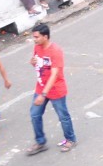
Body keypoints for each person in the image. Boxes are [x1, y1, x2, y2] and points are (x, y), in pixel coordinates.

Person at [26, 23, 77, 154]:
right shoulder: (37, 47)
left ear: (45, 36)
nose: (34, 39)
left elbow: (54, 74)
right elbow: (39, 65)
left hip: (55, 90)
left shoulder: (56, 51)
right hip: (41, 87)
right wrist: (32, 63)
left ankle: (71, 139)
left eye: (36, 37)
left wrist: (43, 95)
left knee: (63, 116)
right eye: (34, 37)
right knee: (34, 114)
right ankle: (40, 142)